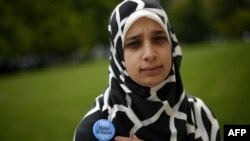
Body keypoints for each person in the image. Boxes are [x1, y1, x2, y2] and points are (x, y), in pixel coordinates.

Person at [73, 0, 221, 141]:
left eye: (159, 39)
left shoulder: (201, 115)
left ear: (172, 46)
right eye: (134, 44)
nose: (149, 54)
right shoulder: (92, 129)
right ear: (119, 56)